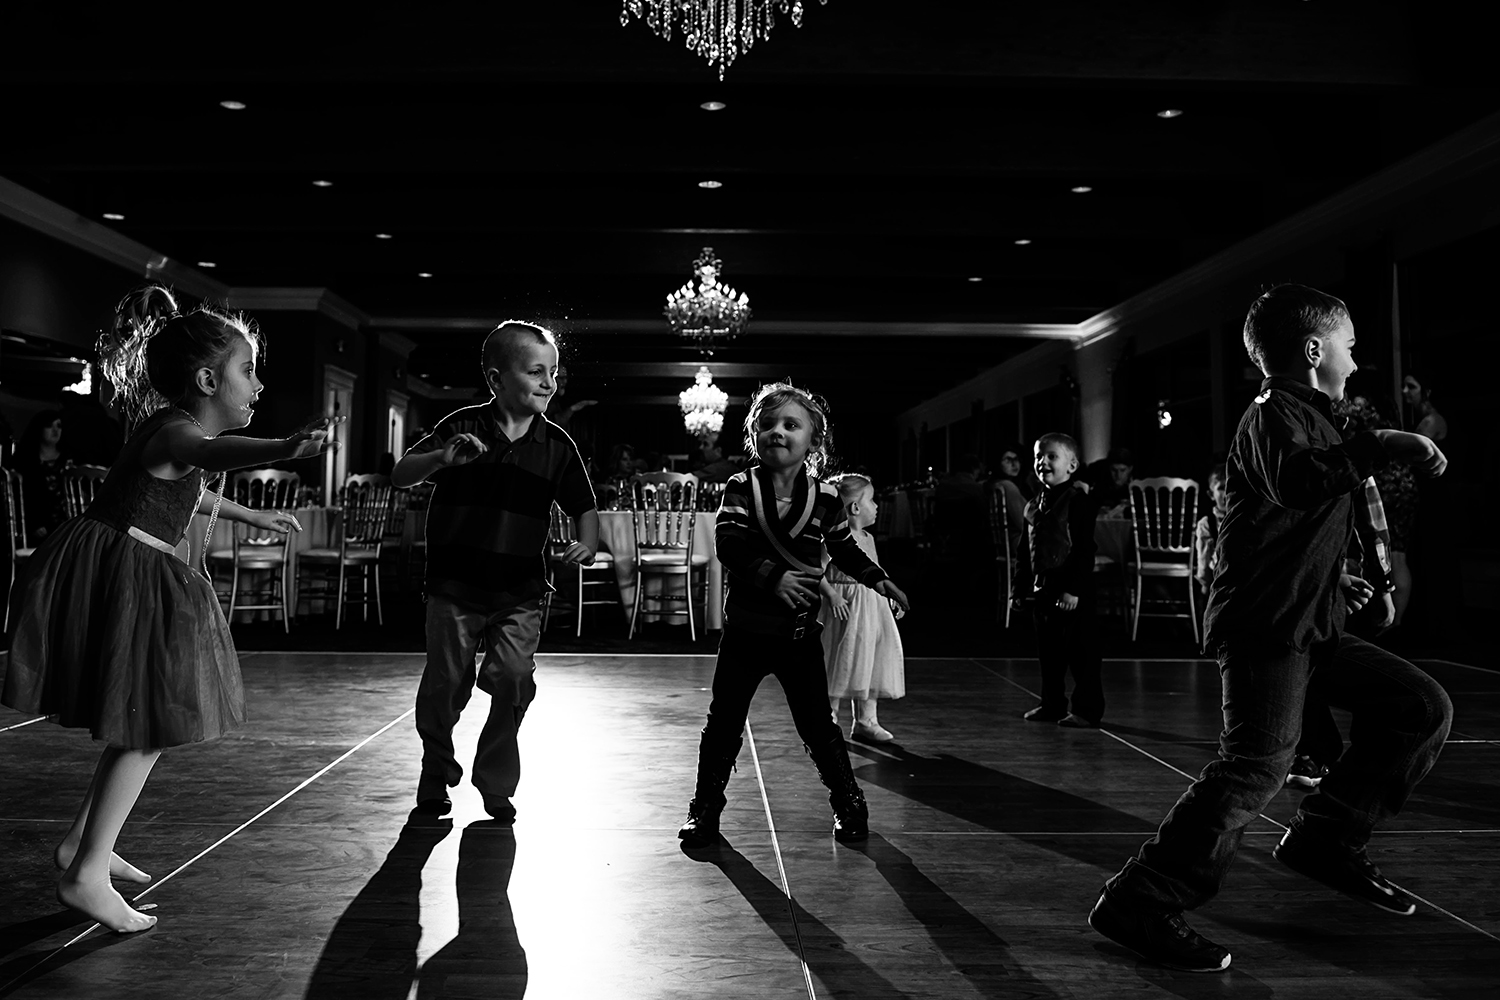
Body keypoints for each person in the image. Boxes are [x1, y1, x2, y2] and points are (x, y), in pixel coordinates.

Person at [1089, 283, 1452, 973]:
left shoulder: (1314, 419)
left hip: (1310, 621)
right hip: (1268, 627)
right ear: (1314, 350)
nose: (1356, 360)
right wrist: (1383, 441)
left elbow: (1290, 526)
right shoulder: (1272, 414)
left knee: (1420, 707)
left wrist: (1349, 582)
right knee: (1256, 765)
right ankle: (1140, 899)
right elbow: (1297, 482)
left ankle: (1326, 836)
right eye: (1349, 346)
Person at [2, 285, 334, 934]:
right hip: (127, 570)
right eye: (248, 371)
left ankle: (84, 846)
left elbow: (191, 489)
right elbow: (206, 458)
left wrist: (252, 513)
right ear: (208, 380)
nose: (259, 385)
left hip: (124, 562)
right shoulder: (182, 432)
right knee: (148, 725)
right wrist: (285, 448)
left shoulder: (170, 430)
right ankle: (85, 872)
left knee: (139, 721)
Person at [677, 383, 910, 848]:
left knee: (818, 725)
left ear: (813, 441)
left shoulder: (826, 497)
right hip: (745, 631)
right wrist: (774, 579)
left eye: (790, 425)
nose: (777, 432)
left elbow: (843, 547)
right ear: (754, 436)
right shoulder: (741, 487)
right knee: (723, 722)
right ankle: (704, 812)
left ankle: (850, 803)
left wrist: (878, 579)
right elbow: (729, 544)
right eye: (767, 425)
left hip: (797, 634)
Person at [394, 321, 598, 823]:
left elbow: (583, 505)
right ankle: (436, 766)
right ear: (496, 379)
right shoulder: (462, 426)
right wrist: (441, 458)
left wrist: (589, 542)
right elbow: (401, 475)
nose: (549, 382)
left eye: (553, 372)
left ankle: (495, 779)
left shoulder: (557, 445)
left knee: (513, 678)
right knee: (445, 684)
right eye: (536, 372)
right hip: (454, 585)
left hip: (520, 589)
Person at [1018, 432, 1104, 728]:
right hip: (1044, 588)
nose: (1043, 462)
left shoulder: (1079, 502)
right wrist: (1020, 588)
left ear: (1072, 465)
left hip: (1073, 590)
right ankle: (1051, 703)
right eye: (1038, 457)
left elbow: (1084, 549)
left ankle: (1087, 709)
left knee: (1082, 653)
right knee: (1049, 653)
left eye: (1051, 456)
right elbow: (1024, 551)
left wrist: (1073, 589)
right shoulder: (1033, 504)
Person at [818, 473, 906, 742]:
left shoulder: (867, 537)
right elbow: (816, 570)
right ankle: (827, 719)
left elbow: (875, 569)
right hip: (844, 608)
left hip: (870, 609)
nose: (877, 506)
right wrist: (832, 595)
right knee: (839, 662)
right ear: (855, 507)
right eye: (872, 500)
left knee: (869, 660)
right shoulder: (832, 539)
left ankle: (866, 720)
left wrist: (889, 593)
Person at [13, 409, 75, 545]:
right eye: (49, 425)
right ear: (39, 428)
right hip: (37, 526)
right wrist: (34, 523)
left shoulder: (69, 459)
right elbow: (20, 496)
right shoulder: (25, 461)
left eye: (59, 426)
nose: (55, 430)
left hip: (68, 524)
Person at [1192, 463, 1228, 596]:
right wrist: (1205, 584)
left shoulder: (1244, 519)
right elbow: (1203, 558)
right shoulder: (1207, 524)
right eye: (1221, 488)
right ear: (1211, 494)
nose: (1227, 494)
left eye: (1230, 488)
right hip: (1216, 579)